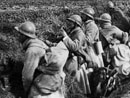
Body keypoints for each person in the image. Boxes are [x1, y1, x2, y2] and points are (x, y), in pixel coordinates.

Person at [15, 21, 68, 98]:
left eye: (19, 34)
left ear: (24, 36)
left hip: (43, 86)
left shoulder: (32, 51)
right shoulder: (39, 42)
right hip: (54, 82)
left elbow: (27, 76)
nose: (17, 36)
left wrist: (26, 91)